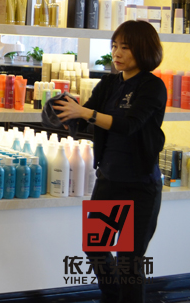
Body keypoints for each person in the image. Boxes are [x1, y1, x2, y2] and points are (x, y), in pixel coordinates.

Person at [54, 20, 166, 303]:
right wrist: (63, 112)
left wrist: (85, 114)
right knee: (95, 248)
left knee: (129, 260)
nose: (117, 53)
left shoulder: (153, 87)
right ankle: (113, 297)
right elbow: (85, 119)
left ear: (143, 50)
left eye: (125, 47)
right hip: (109, 180)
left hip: (141, 185)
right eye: (114, 46)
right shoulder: (109, 83)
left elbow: (129, 125)